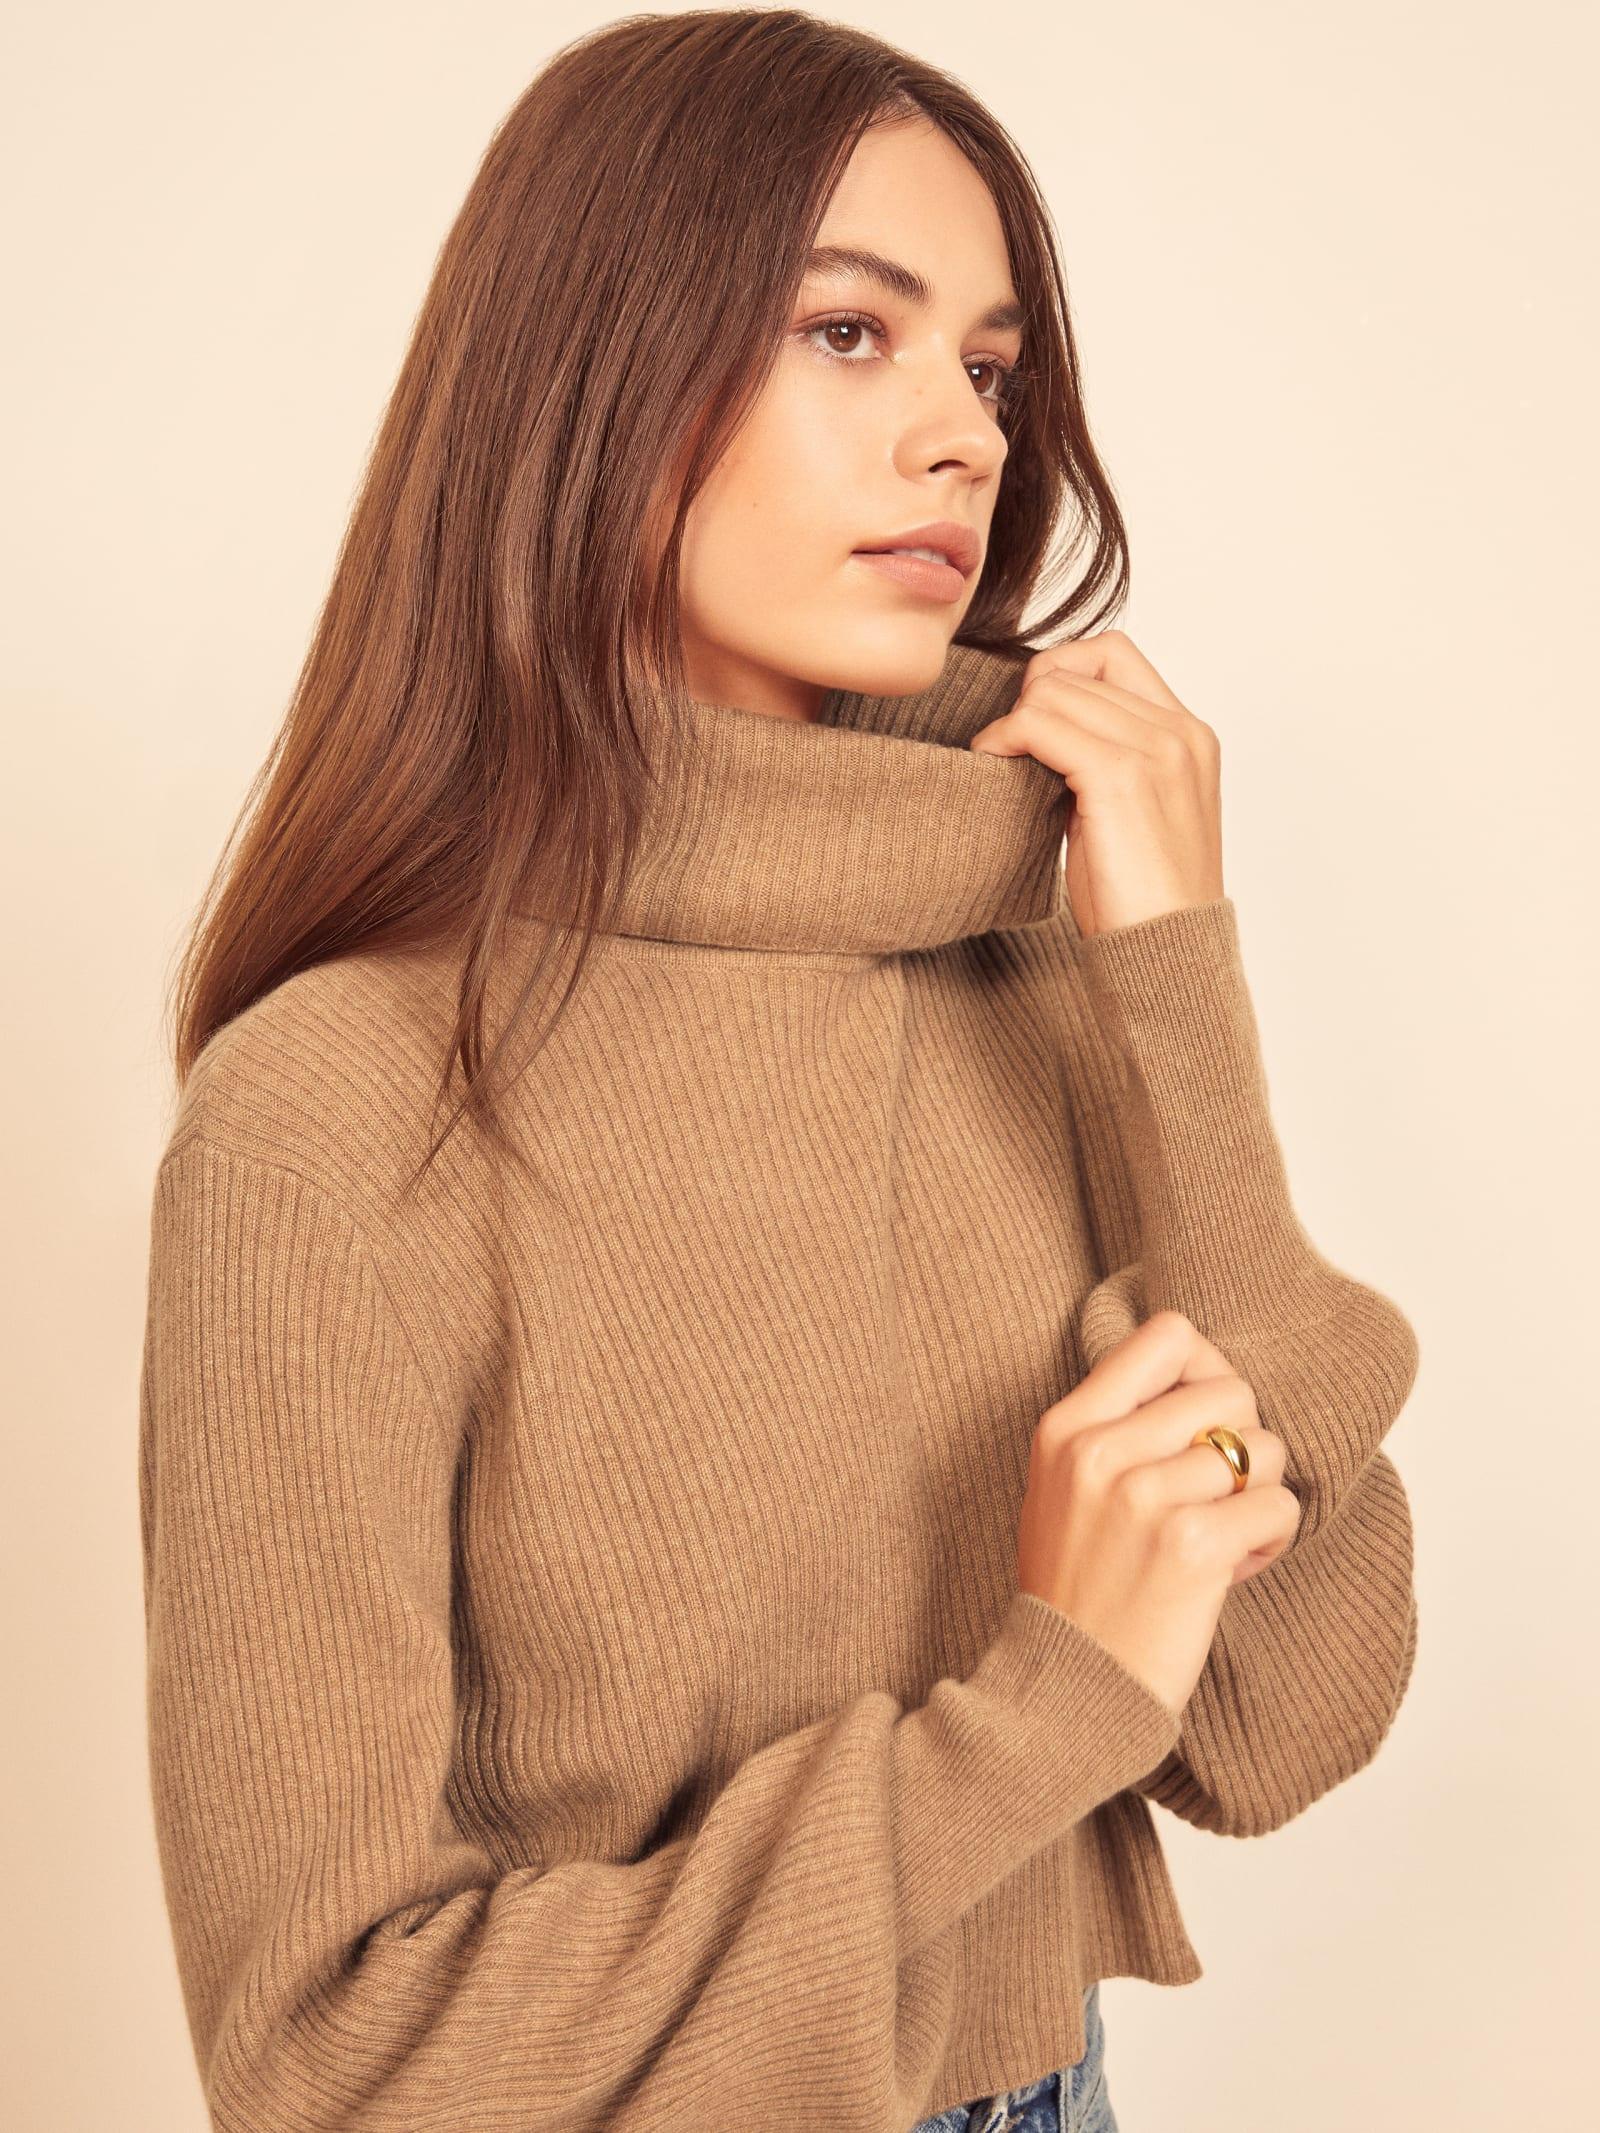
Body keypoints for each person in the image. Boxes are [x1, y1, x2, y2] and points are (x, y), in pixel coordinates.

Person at [137, 12, 1421, 2131]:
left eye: (989, 370)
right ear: (593, 378)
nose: (963, 438)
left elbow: (1283, 1727)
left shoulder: (1030, 972)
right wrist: (1037, 1708)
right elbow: (334, 2061)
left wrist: (1177, 983)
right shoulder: (339, 1111)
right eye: (848, 332)